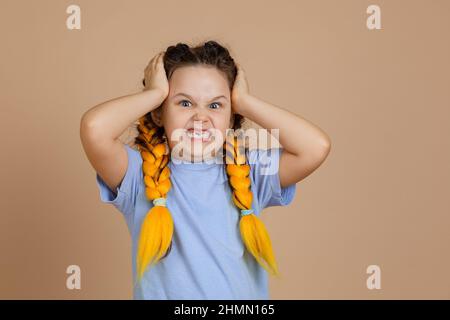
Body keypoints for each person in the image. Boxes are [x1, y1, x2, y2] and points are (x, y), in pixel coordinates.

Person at [80, 40, 331, 299]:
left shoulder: (251, 172)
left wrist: (244, 102)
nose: (201, 117)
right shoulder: (137, 174)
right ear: (158, 114)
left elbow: (315, 147)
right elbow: (94, 129)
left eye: (215, 105)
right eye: (185, 103)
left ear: (231, 116)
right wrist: (153, 94)